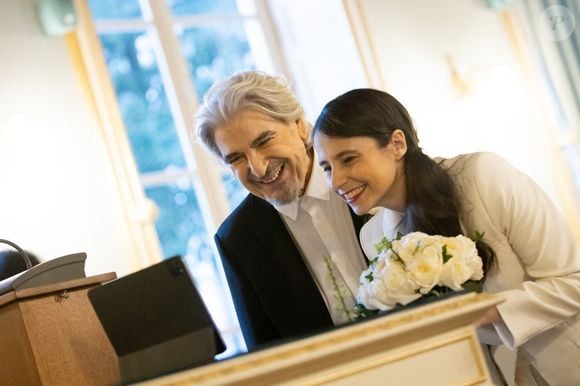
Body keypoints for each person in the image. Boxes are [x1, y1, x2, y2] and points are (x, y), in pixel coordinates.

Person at [312, 88, 580, 386]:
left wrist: (485, 311)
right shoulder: (374, 237)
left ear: (397, 144)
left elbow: (575, 282)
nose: (335, 181)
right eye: (327, 168)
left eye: (348, 159)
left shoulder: (483, 176)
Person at [195, 71, 367, 350]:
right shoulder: (237, 240)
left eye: (263, 141)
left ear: (299, 126)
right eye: (236, 158)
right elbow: (265, 355)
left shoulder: (366, 173)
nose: (258, 168)